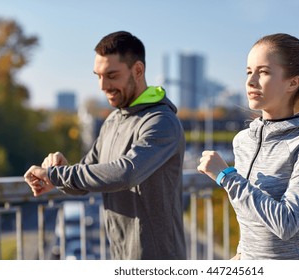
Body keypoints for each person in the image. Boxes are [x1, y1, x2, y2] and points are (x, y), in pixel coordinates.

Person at [24, 31, 187, 260]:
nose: (102, 85)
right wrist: (57, 172)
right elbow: (86, 178)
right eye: (98, 75)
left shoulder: (161, 121)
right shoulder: (112, 121)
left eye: (111, 75)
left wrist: (59, 175)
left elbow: (125, 173)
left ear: (138, 70)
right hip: (120, 257)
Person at [197, 33, 299, 260]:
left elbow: (286, 223)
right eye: (249, 72)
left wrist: (226, 176)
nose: (251, 81)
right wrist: (242, 255)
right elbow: (250, 215)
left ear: (293, 82)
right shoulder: (242, 141)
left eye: (264, 72)